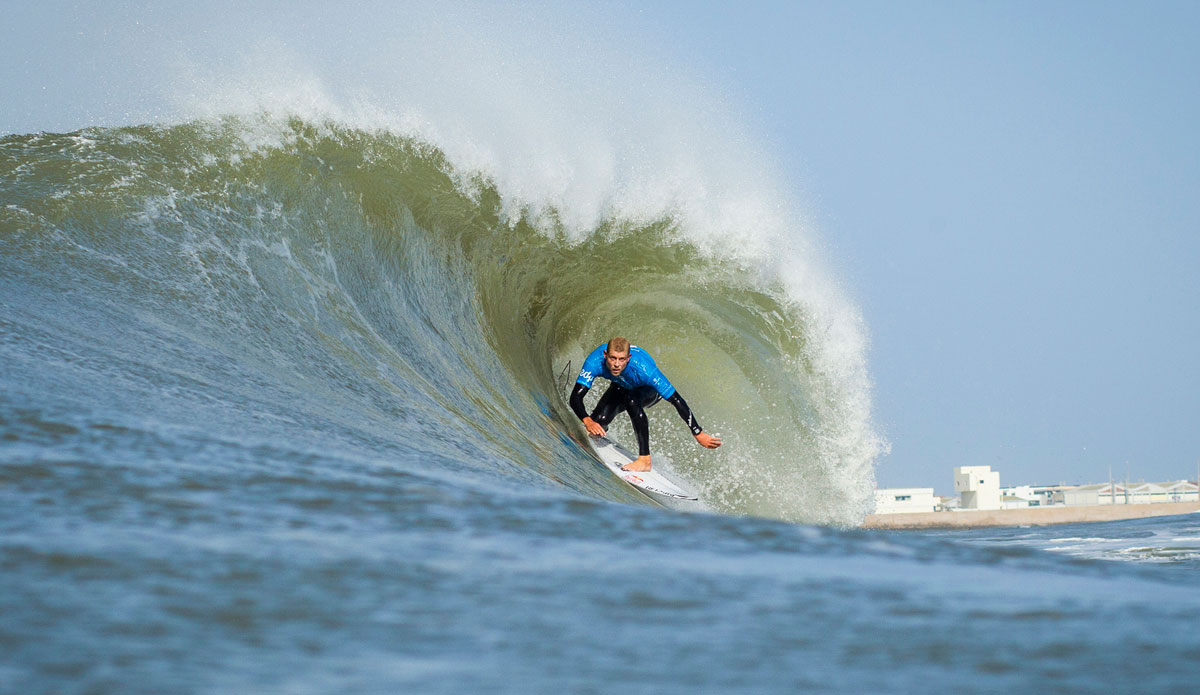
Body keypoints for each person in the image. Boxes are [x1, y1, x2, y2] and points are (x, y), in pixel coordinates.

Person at [569, 337, 721, 472]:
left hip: (647, 392)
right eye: (613, 358)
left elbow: (677, 400)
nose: (616, 364)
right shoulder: (594, 361)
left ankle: (644, 460)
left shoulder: (645, 370)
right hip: (621, 384)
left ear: (628, 358)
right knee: (598, 422)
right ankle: (599, 433)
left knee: (630, 400)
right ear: (605, 355)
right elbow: (575, 398)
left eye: (621, 359)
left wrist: (698, 432)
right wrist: (588, 421)